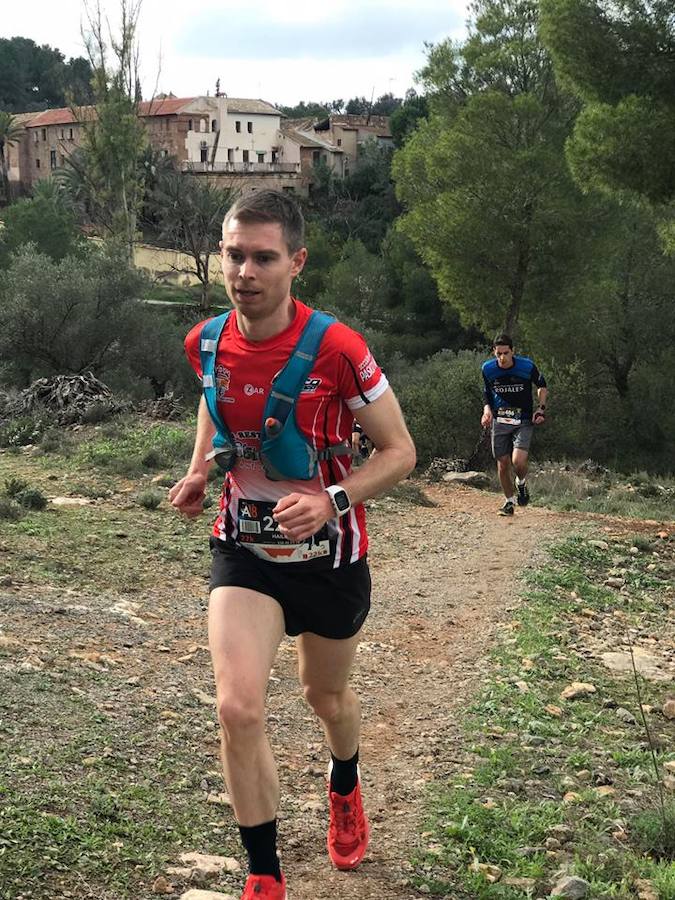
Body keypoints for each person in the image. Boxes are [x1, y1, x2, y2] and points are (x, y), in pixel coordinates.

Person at [169, 190, 416, 900]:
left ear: (295, 261)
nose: (243, 271)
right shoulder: (206, 340)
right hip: (244, 553)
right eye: (232, 254)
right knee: (236, 707)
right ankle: (265, 876)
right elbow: (213, 401)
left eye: (262, 257)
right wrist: (196, 470)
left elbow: (399, 452)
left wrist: (331, 500)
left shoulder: (338, 348)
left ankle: (344, 781)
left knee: (324, 694)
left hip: (329, 560)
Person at [480, 333, 548, 516]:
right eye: (498, 353)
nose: (502, 358)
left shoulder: (527, 366)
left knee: (518, 461)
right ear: (494, 352)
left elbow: (542, 385)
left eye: (506, 353)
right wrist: (487, 410)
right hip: (499, 420)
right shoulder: (487, 369)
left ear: (513, 351)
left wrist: (541, 408)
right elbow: (487, 391)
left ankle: (521, 482)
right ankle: (509, 503)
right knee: (502, 464)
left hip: (523, 420)